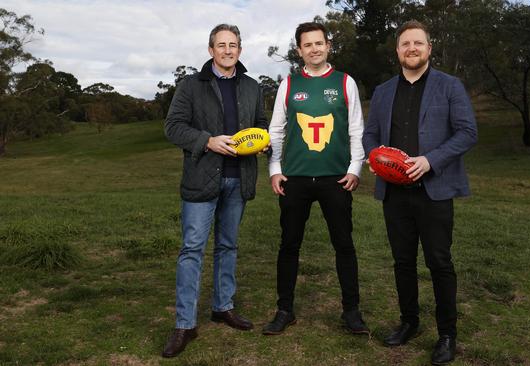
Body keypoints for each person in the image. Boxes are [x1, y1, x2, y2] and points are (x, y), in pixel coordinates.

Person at [362, 20, 478, 365]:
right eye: (405, 44)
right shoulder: (383, 91)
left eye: (418, 43)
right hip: (395, 193)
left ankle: (447, 335)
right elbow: (370, 135)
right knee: (402, 262)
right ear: (397, 51)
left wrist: (430, 161)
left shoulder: (449, 86)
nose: (411, 48)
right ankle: (409, 322)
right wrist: (375, 158)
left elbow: (467, 132)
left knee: (439, 262)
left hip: (434, 190)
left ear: (429, 48)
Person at [162, 24, 268, 358]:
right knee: (192, 249)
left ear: (240, 49)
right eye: (221, 45)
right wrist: (206, 141)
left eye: (233, 45)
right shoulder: (191, 86)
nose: (227, 50)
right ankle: (184, 324)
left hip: (239, 179)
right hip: (201, 178)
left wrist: (263, 142)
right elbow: (173, 127)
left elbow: (261, 125)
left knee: (228, 245)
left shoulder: (252, 87)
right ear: (210, 50)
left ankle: (223, 307)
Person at [263, 22, 368, 336]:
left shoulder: (345, 82)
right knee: (289, 245)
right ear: (299, 50)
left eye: (319, 43)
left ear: (328, 45)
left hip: (335, 179)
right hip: (294, 179)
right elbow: (276, 131)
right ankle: (285, 310)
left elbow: (356, 130)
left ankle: (351, 312)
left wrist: (354, 169)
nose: (314, 49)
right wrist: (275, 169)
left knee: (344, 245)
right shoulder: (289, 84)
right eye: (307, 45)